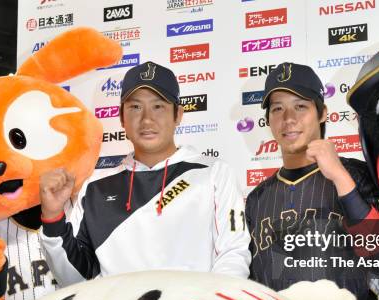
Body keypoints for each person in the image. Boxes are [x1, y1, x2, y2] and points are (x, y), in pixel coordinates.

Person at [39, 61, 251, 285]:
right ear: (121, 117)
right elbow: (75, 279)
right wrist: (52, 216)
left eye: (158, 106)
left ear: (178, 114)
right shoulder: (96, 187)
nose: (147, 119)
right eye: (135, 107)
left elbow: (233, 254)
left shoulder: (214, 174)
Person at [245, 62, 379, 300]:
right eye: (277, 109)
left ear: (323, 113)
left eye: (300, 106)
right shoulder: (257, 199)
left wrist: (341, 179)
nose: (288, 119)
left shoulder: (357, 174)